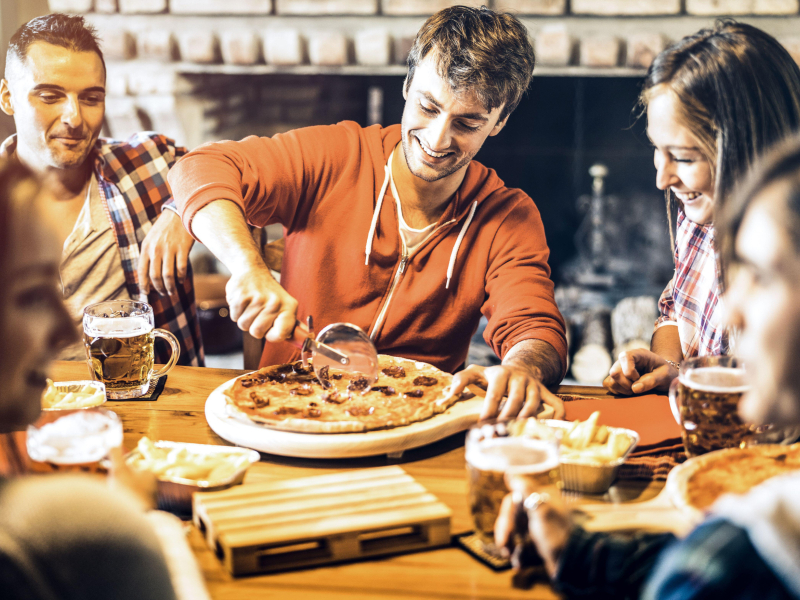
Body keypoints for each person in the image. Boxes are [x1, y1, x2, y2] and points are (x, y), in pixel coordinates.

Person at [169, 6, 568, 420]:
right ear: (407, 84)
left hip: (415, 423)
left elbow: (536, 330)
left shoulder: (508, 215)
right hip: (288, 412)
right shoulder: (337, 155)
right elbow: (198, 167)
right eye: (428, 108)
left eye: (467, 124)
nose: (437, 139)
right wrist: (247, 267)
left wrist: (522, 369)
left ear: (499, 121)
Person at [495, 136, 800, 600]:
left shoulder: (729, 560)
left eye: (760, 276)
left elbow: (693, 576)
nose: (731, 312)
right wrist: (580, 552)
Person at [0, 158, 207, 600]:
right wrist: (135, 518)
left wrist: (177, 210)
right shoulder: (72, 524)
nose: (67, 330)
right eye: (32, 296)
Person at [603, 21, 800, 396]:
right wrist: (674, 369)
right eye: (657, 150)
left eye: (683, 157)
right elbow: (677, 310)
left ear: (756, 149)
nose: (662, 179)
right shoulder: (700, 220)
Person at [0, 13, 203, 366]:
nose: (74, 118)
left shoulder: (147, 162)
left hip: (146, 400)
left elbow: (232, 166)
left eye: (91, 98)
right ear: (7, 97)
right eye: (50, 96)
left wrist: (180, 209)